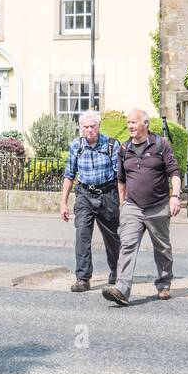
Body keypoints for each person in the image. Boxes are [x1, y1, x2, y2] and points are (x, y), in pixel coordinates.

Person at [103, 109, 181, 307]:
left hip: (158, 206)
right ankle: (122, 289)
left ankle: (164, 283)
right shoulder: (124, 148)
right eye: (128, 122)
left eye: (134, 122)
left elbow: (174, 173)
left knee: (162, 248)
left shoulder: (160, 145)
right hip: (133, 206)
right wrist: (122, 203)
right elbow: (121, 179)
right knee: (127, 245)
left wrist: (175, 196)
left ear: (145, 124)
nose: (130, 126)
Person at [59, 110, 121, 293]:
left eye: (92, 126)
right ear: (80, 128)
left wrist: (123, 202)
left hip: (107, 194)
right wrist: (63, 202)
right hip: (85, 194)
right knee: (82, 235)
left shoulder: (111, 145)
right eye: (85, 127)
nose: (89, 130)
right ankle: (83, 278)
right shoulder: (76, 146)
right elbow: (69, 175)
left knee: (112, 237)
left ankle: (117, 271)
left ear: (98, 127)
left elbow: (120, 177)